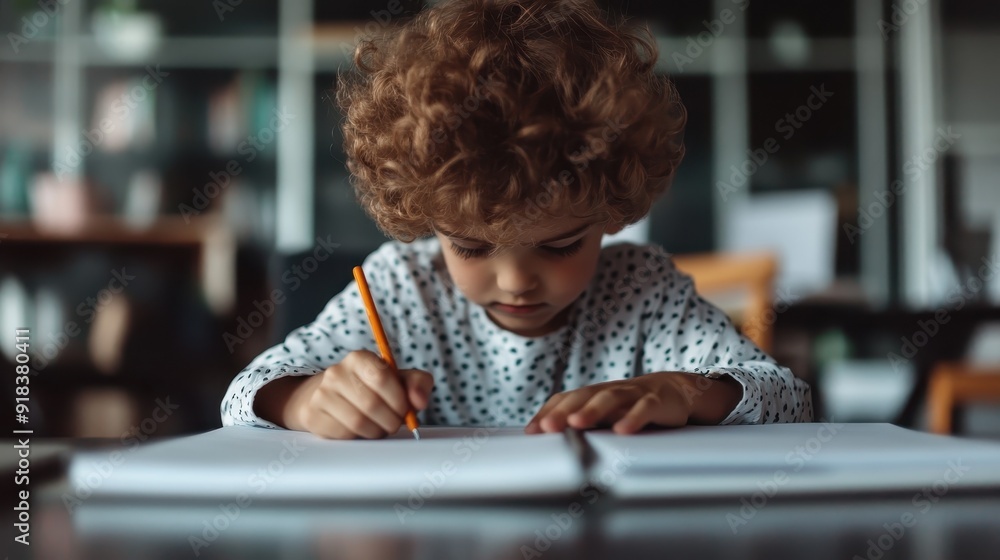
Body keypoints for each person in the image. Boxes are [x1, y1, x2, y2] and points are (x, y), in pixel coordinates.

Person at [221, 0, 812, 439]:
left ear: (609, 209)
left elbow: (788, 400)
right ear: (428, 217)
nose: (516, 281)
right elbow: (242, 397)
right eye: (472, 248)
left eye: (558, 246)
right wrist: (303, 402)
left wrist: (684, 391)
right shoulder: (402, 289)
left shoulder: (643, 292)